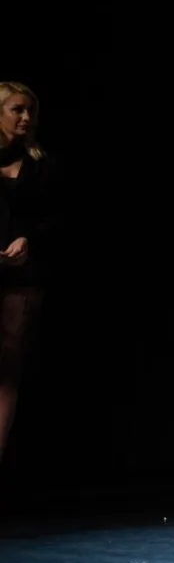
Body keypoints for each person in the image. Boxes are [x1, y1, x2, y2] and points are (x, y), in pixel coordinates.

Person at [0, 82, 59, 465]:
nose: (25, 117)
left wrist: (27, 239)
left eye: (30, 111)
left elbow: (53, 219)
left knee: (6, 373)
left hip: (20, 279)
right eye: (16, 109)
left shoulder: (39, 164)